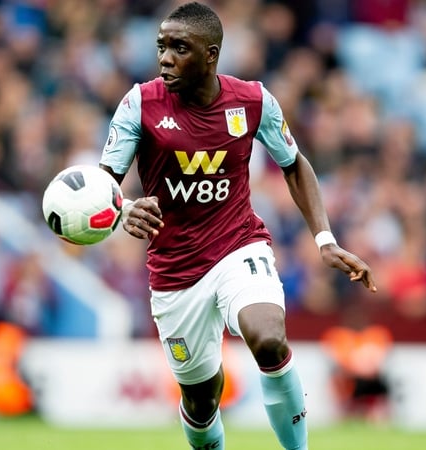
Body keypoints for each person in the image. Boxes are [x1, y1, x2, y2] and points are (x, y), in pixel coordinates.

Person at [98, 3, 377, 450]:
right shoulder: (140, 104)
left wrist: (324, 239)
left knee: (269, 339)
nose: (165, 58)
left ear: (211, 55)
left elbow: (294, 163)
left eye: (179, 48)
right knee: (202, 400)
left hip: (238, 246)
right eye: (161, 47)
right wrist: (124, 208)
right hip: (174, 271)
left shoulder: (253, 101)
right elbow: (102, 186)